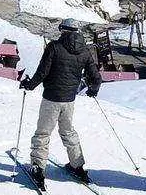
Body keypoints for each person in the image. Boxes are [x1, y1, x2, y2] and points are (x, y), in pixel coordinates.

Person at [19, 18, 101, 185]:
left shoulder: (54, 47)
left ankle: (38, 168)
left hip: (52, 98)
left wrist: (29, 85)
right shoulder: (85, 51)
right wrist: (93, 90)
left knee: (43, 133)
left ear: (63, 30)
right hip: (69, 100)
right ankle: (77, 166)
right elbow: (96, 77)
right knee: (68, 132)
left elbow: (42, 72)